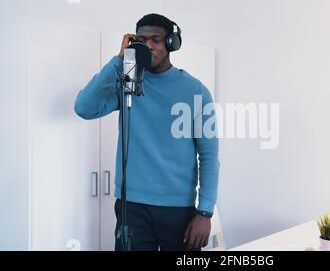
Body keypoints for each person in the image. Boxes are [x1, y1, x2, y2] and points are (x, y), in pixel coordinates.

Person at [74, 13, 220, 251]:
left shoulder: (195, 91)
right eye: (142, 40)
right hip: (130, 206)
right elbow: (84, 108)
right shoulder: (127, 83)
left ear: (171, 44)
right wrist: (119, 59)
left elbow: (209, 156)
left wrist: (205, 212)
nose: (149, 45)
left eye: (156, 39)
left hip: (178, 209)